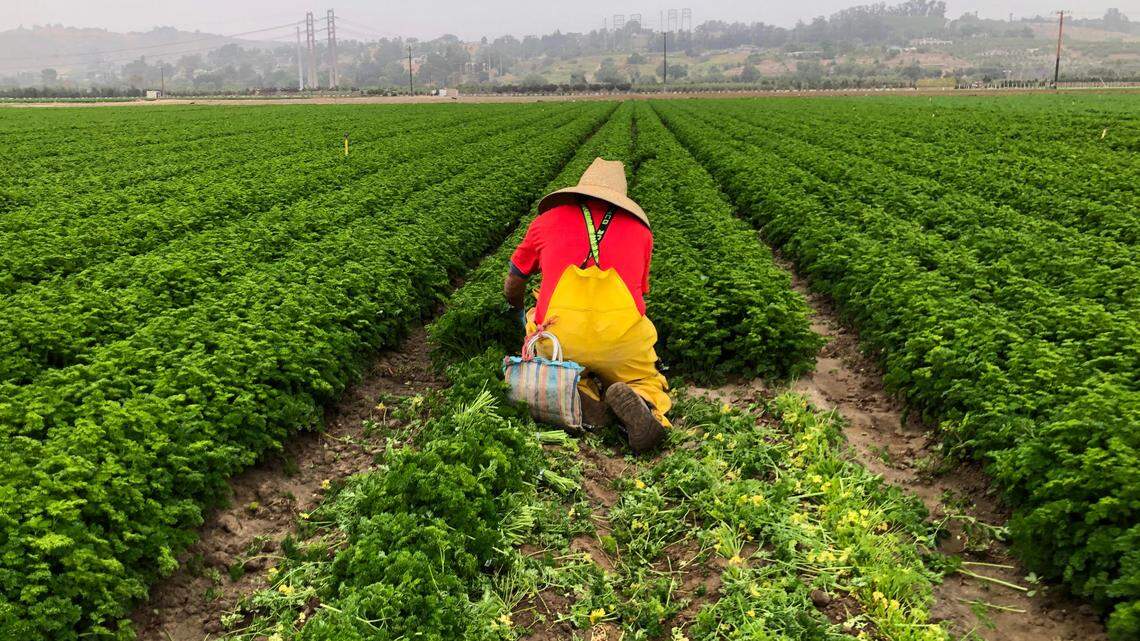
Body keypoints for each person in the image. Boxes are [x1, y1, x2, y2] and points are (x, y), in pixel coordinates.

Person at [503, 158, 671, 452]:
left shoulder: (545, 222)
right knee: (644, 377)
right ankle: (642, 401)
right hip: (621, 341)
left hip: (560, 338)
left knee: (540, 327)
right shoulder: (641, 232)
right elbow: (640, 292)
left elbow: (513, 283)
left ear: (578, 191)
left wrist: (518, 311)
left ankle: (576, 392)